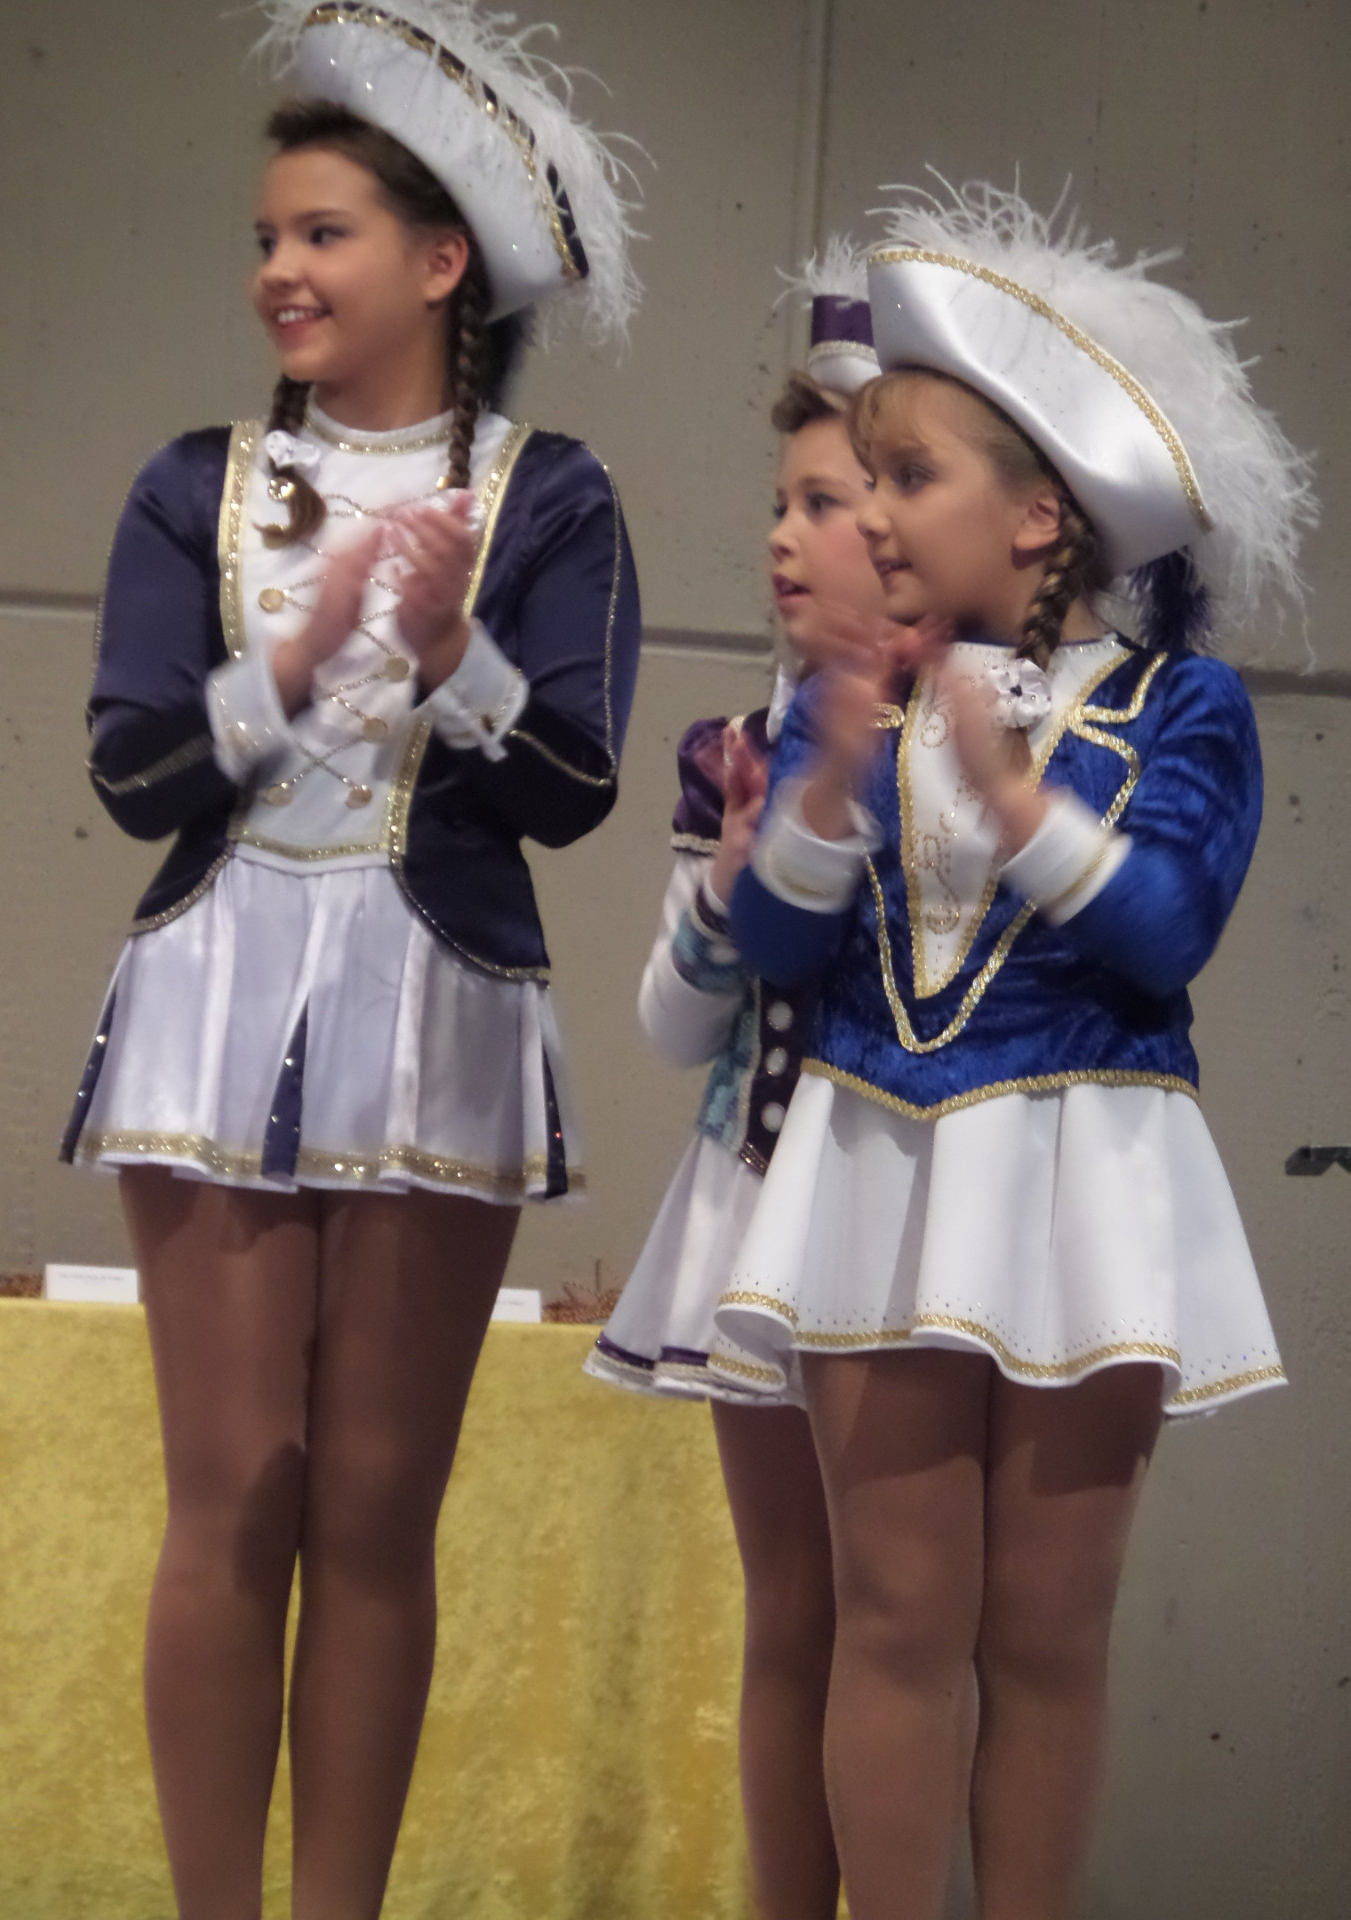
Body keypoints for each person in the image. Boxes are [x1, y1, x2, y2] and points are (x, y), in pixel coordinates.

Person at [60, 3, 640, 1914]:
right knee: (235, 1487)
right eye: (267, 237)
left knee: (378, 1509)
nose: (280, 270)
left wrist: (456, 652)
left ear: (441, 261)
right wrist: (296, 660)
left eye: (322, 232)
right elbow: (133, 772)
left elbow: (574, 790)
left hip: (438, 1001)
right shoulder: (193, 483)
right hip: (217, 988)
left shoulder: (552, 497)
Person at [718, 183, 1315, 1920]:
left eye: (910, 478)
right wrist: (829, 784)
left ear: (1042, 516)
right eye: (866, 479)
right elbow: (775, 954)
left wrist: (1014, 799)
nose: (874, 515)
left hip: (1081, 1175)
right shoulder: (853, 695)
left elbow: (1169, 931)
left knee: (1046, 1629)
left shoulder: (1175, 704)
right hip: (877, 1162)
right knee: (896, 1615)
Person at [587, 248, 881, 1920]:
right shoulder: (732, 752)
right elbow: (669, 1028)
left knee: (906, 1619)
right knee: (796, 1611)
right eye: (780, 502)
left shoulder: (965, 741)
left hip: (904, 1199)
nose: (782, 535)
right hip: (752, 1194)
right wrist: (721, 882)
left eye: (823, 504)